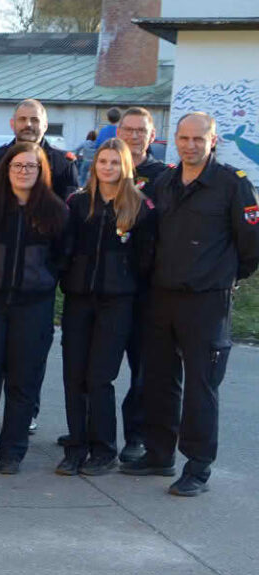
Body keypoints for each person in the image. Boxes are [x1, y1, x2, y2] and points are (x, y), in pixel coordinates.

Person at [126, 112, 259, 496]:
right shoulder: (165, 182)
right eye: (184, 138)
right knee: (159, 380)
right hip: (162, 296)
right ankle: (159, 454)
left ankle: (198, 467)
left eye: (198, 139)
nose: (190, 145)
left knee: (202, 387)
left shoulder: (232, 184)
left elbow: (251, 246)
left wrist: (223, 276)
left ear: (213, 141)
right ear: (175, 139)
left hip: (206, 301)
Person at [0, 141, 67, 474]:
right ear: (6, 169)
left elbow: (61, 259)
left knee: (23, 382)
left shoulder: (56, 211)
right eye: (17, 165)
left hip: (33, 307)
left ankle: (12, 452)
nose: (23, 171)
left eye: (31, 166)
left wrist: (41, 280)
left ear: (41, 171)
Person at [57, 139, 156, 477]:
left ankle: (103, 450)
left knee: (100, 378)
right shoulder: (77, 203)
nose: (108, 168)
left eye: (115, 162)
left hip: (118, 303)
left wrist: (127, 284)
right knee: (74, 376)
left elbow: (146, 260)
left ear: (125, 167)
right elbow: (64, 249)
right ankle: (76, 447)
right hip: (79, 300)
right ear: (94, 165)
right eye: (103, 161)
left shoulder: (141, 207)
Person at [102, 106, 171, 461]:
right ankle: (92, 432)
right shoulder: (105, 169)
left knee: (142, 367)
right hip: (108, 287)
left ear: (152, 135)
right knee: (97, 366)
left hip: (147, 288)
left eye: (140, 130)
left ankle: (136, 436)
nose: (133, 135)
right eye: (128, 129)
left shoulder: (163, 177)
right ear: (118, 132)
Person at [0, 98, 81, 200]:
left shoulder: (63, 164)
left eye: (35, 120)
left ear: (45, 125)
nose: (28, 124)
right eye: (22, 119)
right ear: (12, 124)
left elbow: (69, 205)